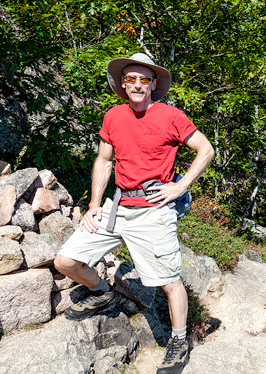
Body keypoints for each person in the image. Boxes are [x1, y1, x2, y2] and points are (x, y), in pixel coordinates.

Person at [54, 53, 213, 374]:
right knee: (66, 261)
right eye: (131, 79)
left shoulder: (171, 116)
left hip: (154, 208)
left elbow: (205, 149)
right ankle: (101, 293)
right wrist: (95, 204)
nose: (138, 85)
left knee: (168, 282)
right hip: (117, 204)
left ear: (154, 84)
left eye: (144, 79)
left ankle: (179, 340)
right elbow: (104, 160)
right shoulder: (113, 116)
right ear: (122, 84)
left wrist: (180, 188)